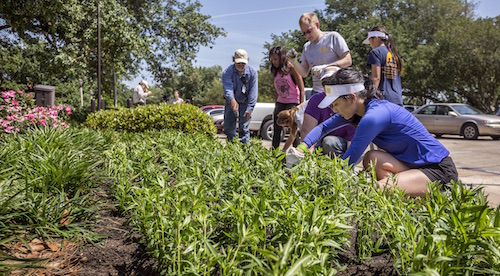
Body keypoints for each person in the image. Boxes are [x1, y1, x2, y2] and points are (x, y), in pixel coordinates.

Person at [286, 68, 458, 197]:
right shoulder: (357, 111)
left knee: (373, 191)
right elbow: (323, 128)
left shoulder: (374, 116)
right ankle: (413, 195)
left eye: (336, 104)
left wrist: (316, 181)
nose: (334, 110)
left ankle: (425, 196)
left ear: (352, 98)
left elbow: (349, 160)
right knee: (372, 158)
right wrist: (301, 148)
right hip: (414, 166)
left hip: (438, 170)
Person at [290, 12, 352, 99]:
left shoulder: (333, 37)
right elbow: (304, 73)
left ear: (317, 25)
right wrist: (294, 61)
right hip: (317, 92)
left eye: (309, 31)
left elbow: (348, 60)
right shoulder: (307, 46)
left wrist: (326, 67)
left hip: (336, 90)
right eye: (304, 33)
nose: (307, 35)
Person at [269, 46, 305, 149]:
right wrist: (276, 104)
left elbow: (301, 88)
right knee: (277, 127)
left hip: (293, 101)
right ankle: (274, 153)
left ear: (282, 57)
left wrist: (300, 107)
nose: (274, 62)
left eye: (276, 59)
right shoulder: (276, 71)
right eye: (272, 59)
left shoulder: (291, 67)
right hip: (281, 101)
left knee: (293, 128)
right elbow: (277, 89)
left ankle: (297, 153)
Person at [222, 49, 258, 143]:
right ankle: (231, 148)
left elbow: (253, 93)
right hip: (231, 101)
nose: (241, 65)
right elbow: (227, 88)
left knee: (244, 128)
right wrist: (232, 100)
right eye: (238, 63)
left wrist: (250, 108)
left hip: (245, 102)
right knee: (229, 128)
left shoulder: (253, 73)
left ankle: (244, 150)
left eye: (243, 63)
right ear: (233, 60)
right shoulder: (227, 72)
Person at [364, 26, 403, 106]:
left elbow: (376, 78)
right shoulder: (394, 54)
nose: (370, 44)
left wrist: (368, 97)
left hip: (383, 99)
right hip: (397, 99)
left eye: (370, 40)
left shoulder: (375, 52)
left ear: (376, 38)